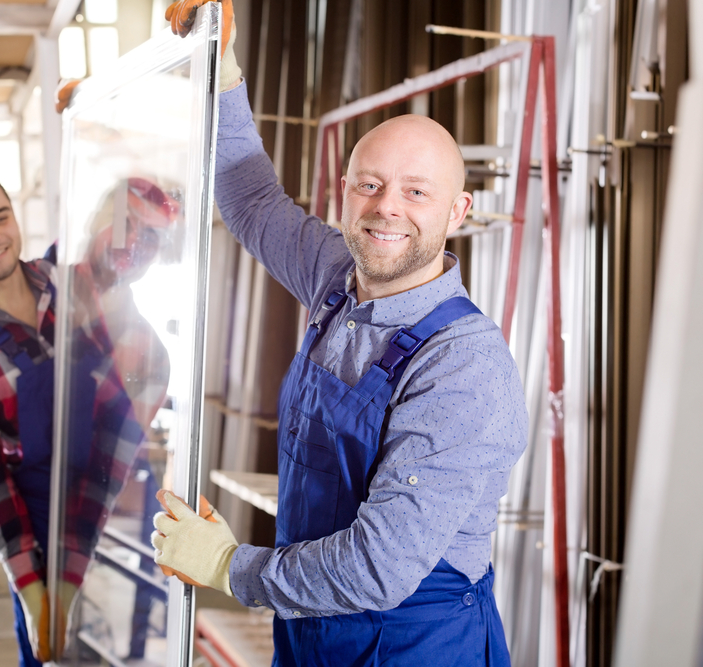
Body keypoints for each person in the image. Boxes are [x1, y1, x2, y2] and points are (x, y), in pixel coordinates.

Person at [145, 2, 529, 665]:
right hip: (313, 632)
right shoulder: (337, 277)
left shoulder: (463, 369)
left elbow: (378, 567)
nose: (387, 208)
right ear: (343, 188)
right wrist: (222, 67)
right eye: (371, 185)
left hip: (415, 646)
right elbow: (249, 199)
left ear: (458, 211)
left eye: (417, 193)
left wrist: (231, 565)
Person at [0, 168, 175, 665]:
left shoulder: (68, 283)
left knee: (116, 647)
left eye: (0, 217)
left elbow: (128, 414)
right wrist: (40, 598)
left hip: (107, 492)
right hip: (33, 529)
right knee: (49, 652)